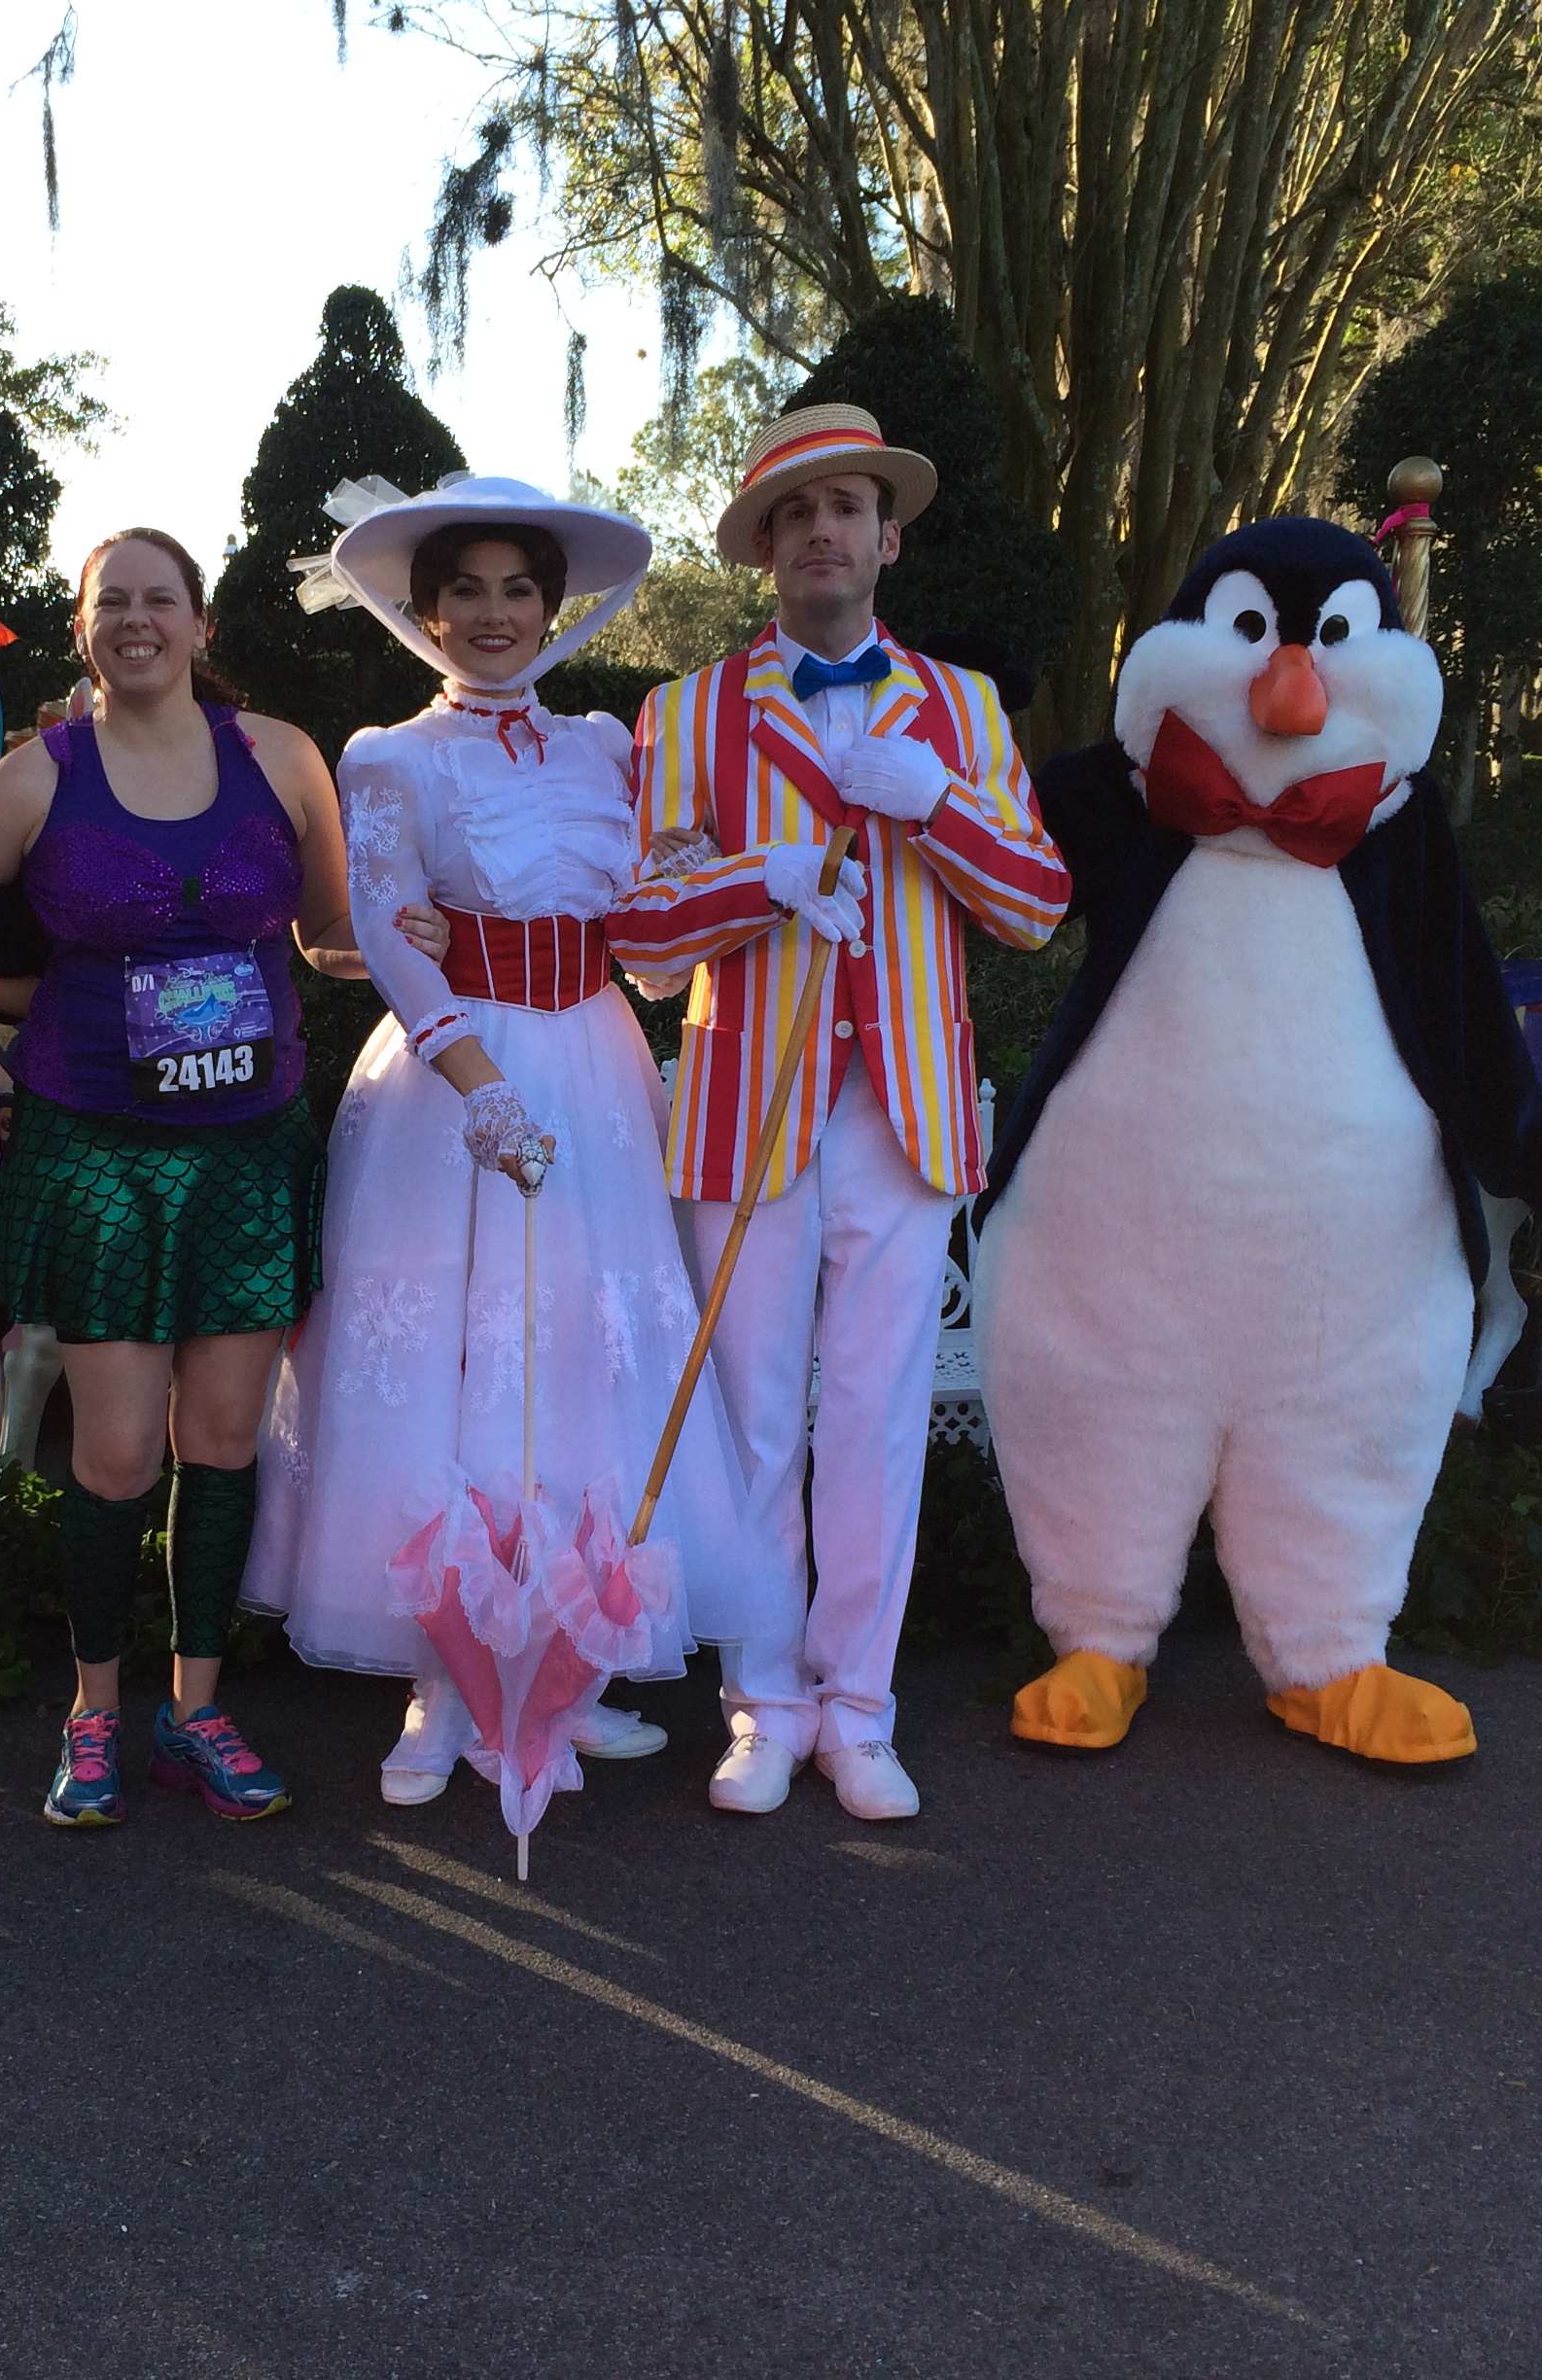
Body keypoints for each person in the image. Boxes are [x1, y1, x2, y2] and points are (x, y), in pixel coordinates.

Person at [244, 474, 796, 1805]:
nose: (494, 614)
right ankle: (446, 1684)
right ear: (428, 611)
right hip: (455, 1084)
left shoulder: (609, 747)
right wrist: (480, 1086)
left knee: (583, 1360)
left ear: (552, 607)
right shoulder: (391, 756)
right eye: (466, 591)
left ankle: (567, 1665)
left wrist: (727, 893)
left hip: (597, 1065)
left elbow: (647, 944)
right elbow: (387, 935)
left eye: (517, 590)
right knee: (455, 1362)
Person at [608, 405, 1070, 1820]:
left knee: (874, 1420)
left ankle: (859, 1708)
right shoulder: (687, 713)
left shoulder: (965, 711)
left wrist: (935, 804)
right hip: (749, 1106)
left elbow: (1036, 904)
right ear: (765, 547)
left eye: (848, 508)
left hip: (907, 1111)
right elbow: (641, 937)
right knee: (754, 1418)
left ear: (888, 539)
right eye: (797, 513)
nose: (825, 531)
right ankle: (764, 1703)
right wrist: (761, 881)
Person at [0, 528, 353, 1829]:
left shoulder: (283, 757)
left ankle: (195, 1711)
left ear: (201, 625)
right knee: (111, 1453)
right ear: (84, 630)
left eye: (162, 600)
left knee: (223, 1442)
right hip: (101, 1151)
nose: (138, 621)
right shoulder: (40, 775)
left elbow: (326, 931)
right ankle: (93, 1711)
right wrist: (38, 1005)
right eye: (114, 604)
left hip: (250, 1149)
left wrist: (418, 944)